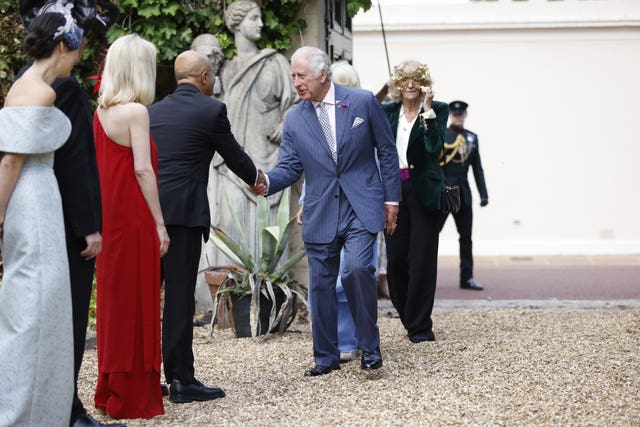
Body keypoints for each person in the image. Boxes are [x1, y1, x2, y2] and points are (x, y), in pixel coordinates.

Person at [255, 46, 401, 377]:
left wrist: (392, 199)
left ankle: (370, 348)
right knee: (320, 285)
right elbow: (290, 167)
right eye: (293, 76)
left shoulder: (363, 102)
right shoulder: (294, 119)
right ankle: (325, 357)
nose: (296, 82)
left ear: (322, 74)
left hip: (362, 205)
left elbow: (388, 153)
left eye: (301, 75)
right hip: (321, 209)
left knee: (357, 270)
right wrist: (265, 181)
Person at [17, 0, 121, 424]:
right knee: (71, 318)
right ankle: (68, 408)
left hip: (29, 212)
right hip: (62, 219)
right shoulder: (67, 90)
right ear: (66, 44)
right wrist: (90, 228)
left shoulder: (21, 82)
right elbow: (76, 163)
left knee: (35, 316)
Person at [149, 50, 263, 402]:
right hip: (183, 217)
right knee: (180, 300)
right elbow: (233, 155)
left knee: (148, 299)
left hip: (149, 215)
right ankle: (181, 379)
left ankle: (148, 377)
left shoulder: (151, 111)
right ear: (203, 78)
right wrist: (257, 178)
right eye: (212, 75)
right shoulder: (211, 110)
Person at [0, 11, 82, 426]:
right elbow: (11, 160)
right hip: (32, 202)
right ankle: (22, 415)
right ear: (63, 46)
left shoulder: (27, 85)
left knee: (37, 307)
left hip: (35, 197)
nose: (78, 59)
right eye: (78, 49)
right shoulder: (40, 93)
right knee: (35, 309)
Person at [93, 34, 169, 420]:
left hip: (109, 222)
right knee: (138, 303)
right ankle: (132, 395)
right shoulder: (136, 113)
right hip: (136, 220)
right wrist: (160, 223)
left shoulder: (101, 112)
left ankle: (110, 389)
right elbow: (142, 169)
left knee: (114, 304)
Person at [295, 60, 371, 362]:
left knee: (351, 276)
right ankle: (333, 344)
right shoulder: (311, 118)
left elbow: (375, 162)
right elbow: (313, 170)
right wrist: (304, 202)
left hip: (359, 210)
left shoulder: (362, 113)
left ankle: (357, 339)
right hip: (325, 208)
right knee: (329, 280)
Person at [211, 0, 298, 265]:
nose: (260, 24)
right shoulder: (225, 69)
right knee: (232, 223)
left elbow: (296, 101)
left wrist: (286, 122)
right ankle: (233, 288)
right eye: (253, 18)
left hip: (269, 158)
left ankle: (272, 288)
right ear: (237, 24)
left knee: (270, 229)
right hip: (233, 163)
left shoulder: (276, 63)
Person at [382, 60, 448, 343]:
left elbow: (434, 146)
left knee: (421, 259)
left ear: (424, 83)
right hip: (394, 190)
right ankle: (408, 314)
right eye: (405, 79)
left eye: (416, 79)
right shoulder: (387, 112)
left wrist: (429, 110)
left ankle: (420, 326)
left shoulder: (438, 110)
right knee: (396, 260)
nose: (410, 84)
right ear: (397, 84)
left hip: (423, 192)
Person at [439, 100, 489, 290]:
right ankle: (424, 276)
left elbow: (477, 169)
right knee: (430, 236)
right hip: (444, 194)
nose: (458, 117)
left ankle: (467, 277)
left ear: (465, 115)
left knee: (466, 238)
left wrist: (483, 194)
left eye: (461, 114)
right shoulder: (442, 135)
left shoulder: (471, 138)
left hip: (464, 195)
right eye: (455, 114)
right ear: (451, 115)